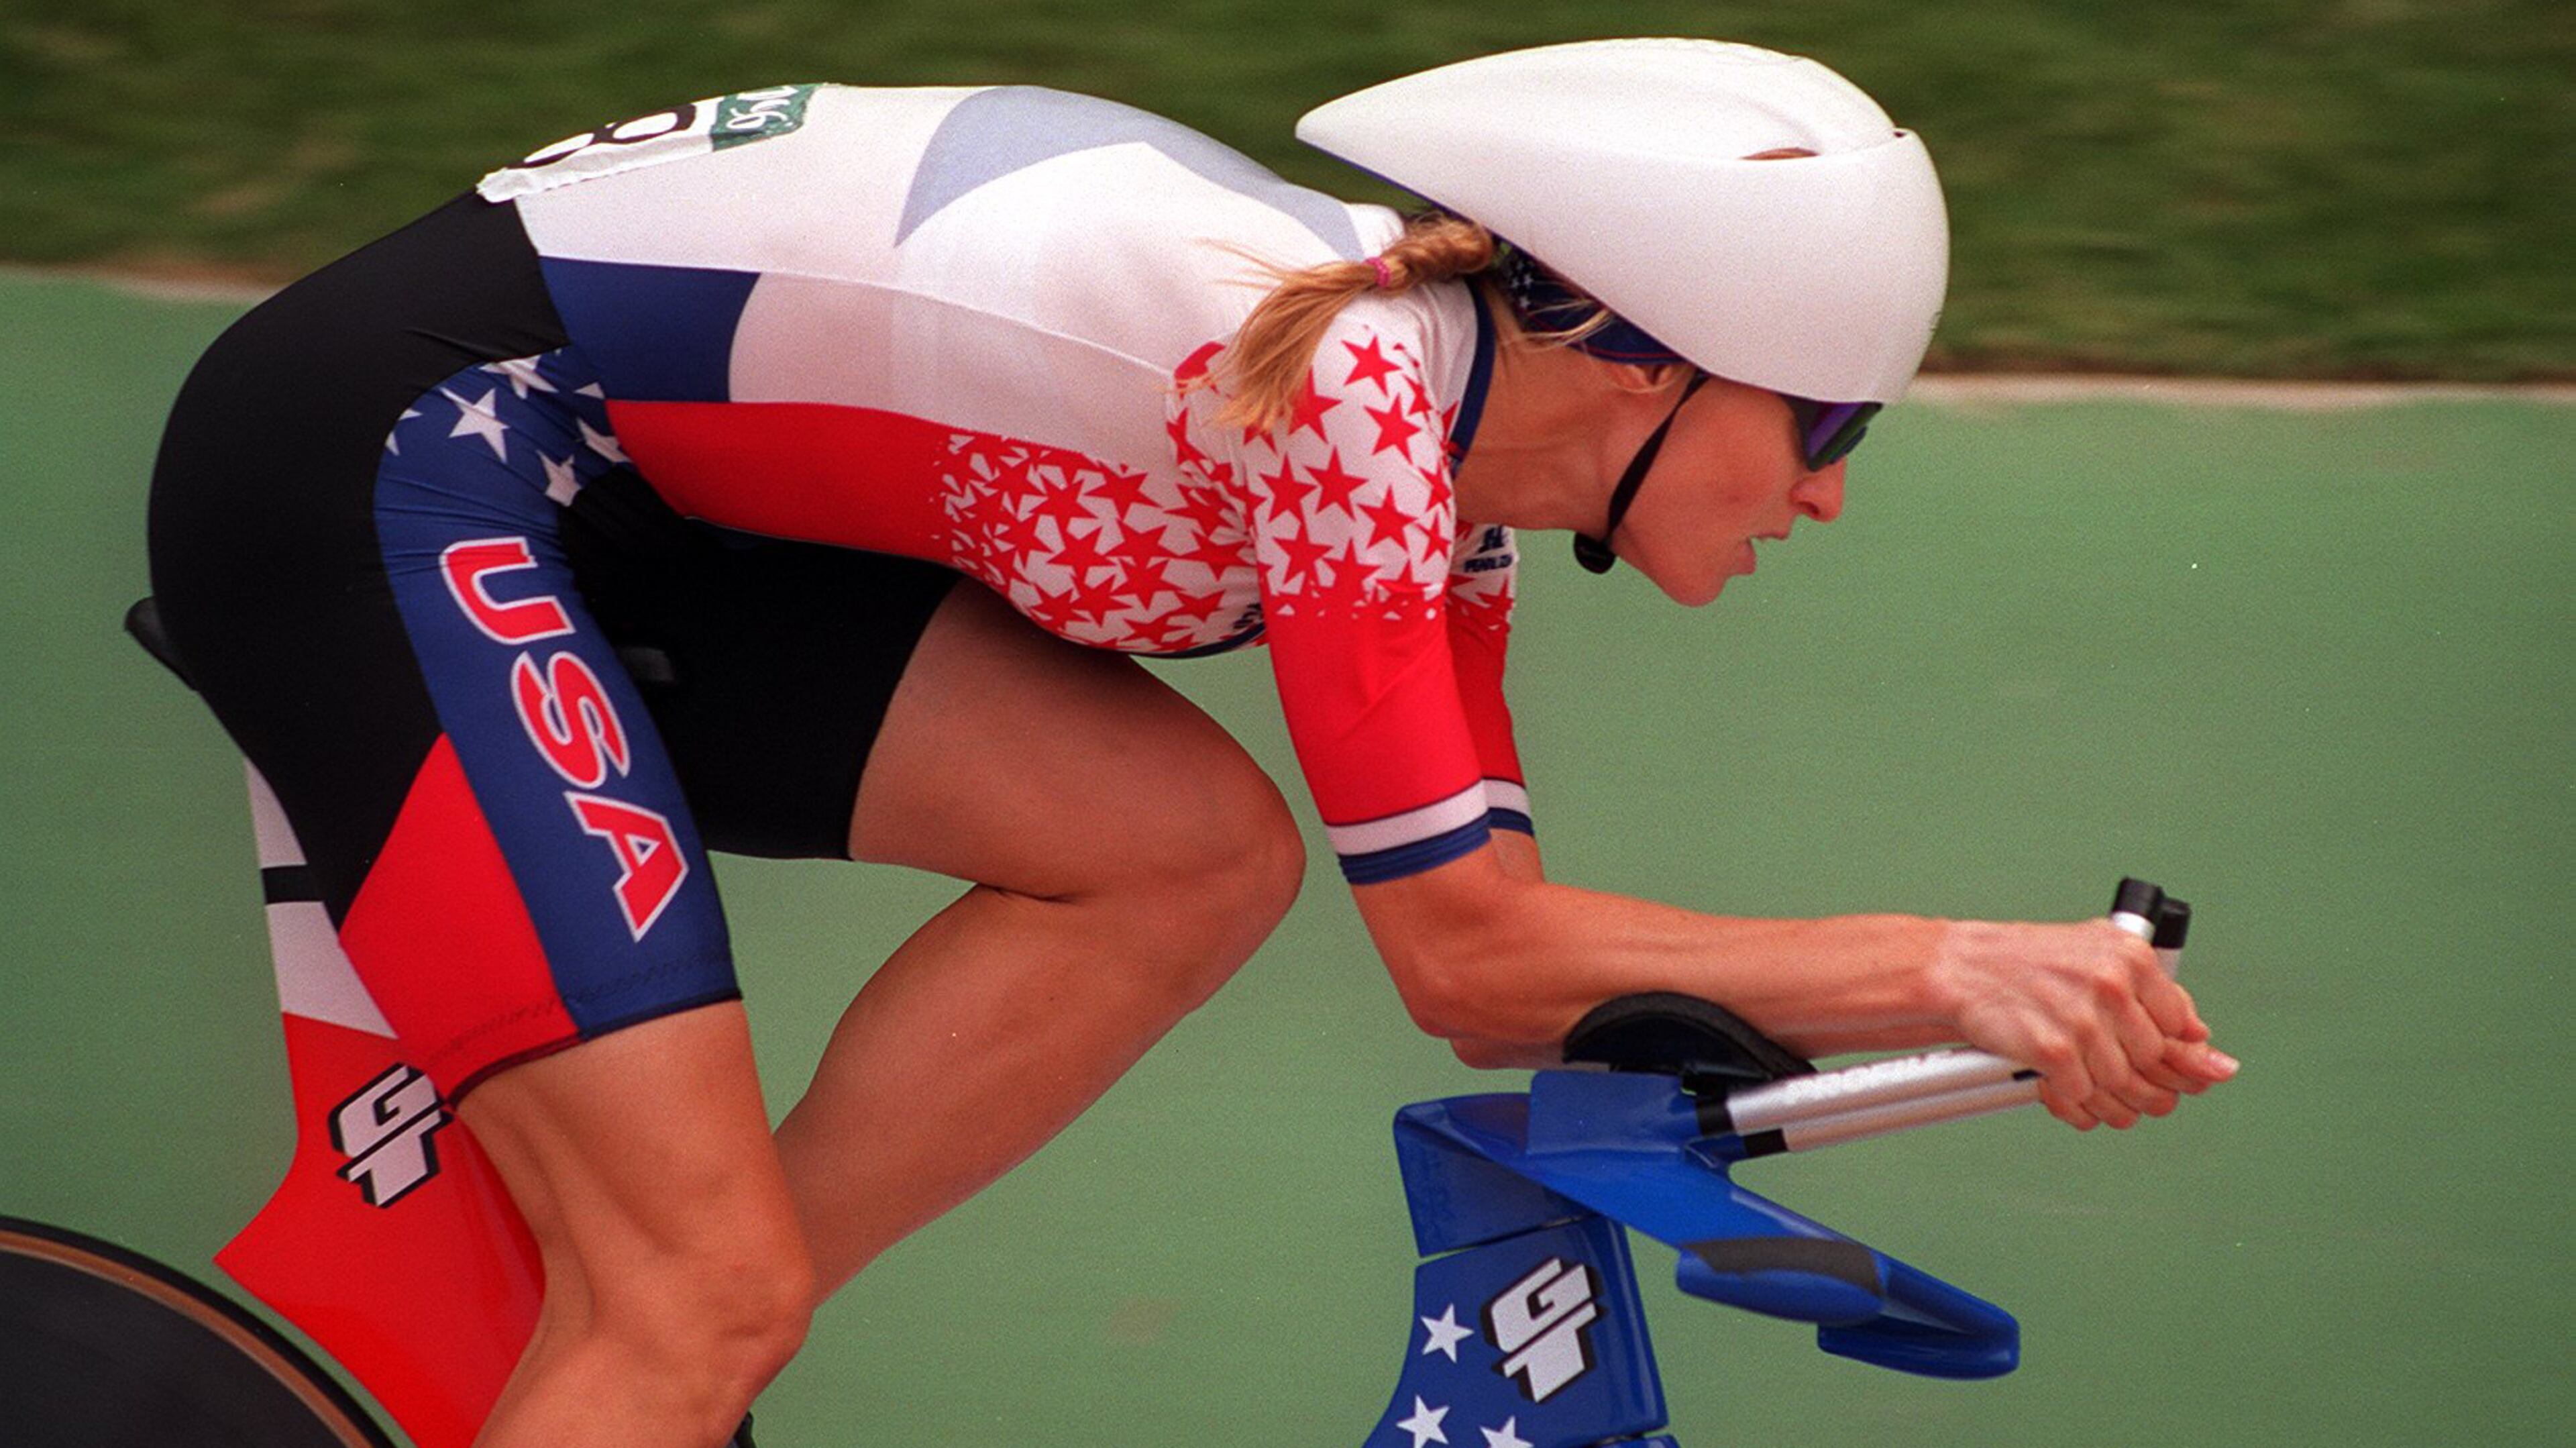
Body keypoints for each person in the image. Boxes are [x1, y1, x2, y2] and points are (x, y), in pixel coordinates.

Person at [146, 39, 2235, 1448]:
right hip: (401, 467)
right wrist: (1954, 968)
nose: (1832, 495)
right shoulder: (1346, 402)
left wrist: (1868, 1023)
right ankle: (663, 1327)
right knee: (695, 1290)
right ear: (1659, 362)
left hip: (633, 510)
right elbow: (1472, 970)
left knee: (1181, 855)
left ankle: (643, 1351)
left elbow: (1506, 951)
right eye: (1828, 430)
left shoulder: (1431, 472)